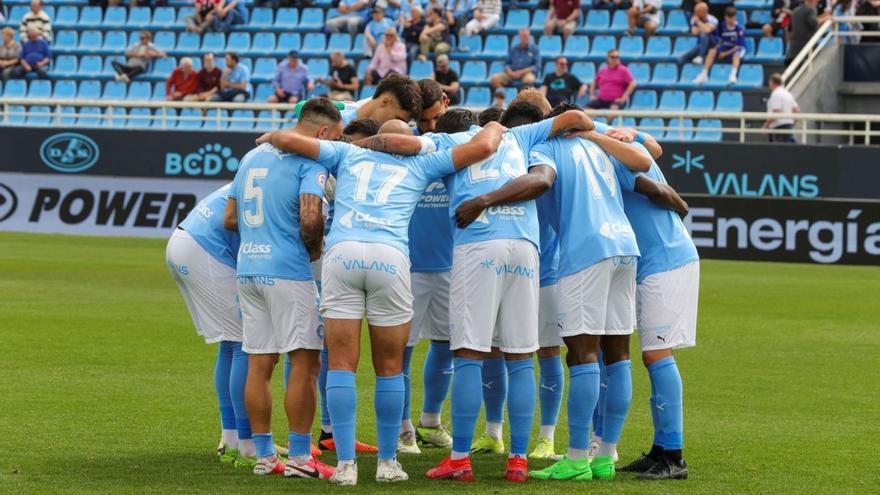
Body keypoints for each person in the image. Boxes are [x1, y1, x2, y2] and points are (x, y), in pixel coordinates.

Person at [258, 102, 508, 487]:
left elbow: (292, 140)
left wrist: (272, 136)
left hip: (341, 255)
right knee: (390, 367)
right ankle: (389, 462)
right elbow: (482, 148)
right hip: (389, 258)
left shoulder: (348, 152)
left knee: (341, 364)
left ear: (377, 140)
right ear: (410, 142)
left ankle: (345, 466)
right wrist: (493, 126)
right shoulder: (423, 163)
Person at [422, 103, 598, 483]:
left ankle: (459, 459)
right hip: (525, 246)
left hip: (479, 243)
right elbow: (576, 119)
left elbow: (397, 139)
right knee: (521, 356)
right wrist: (596, 130)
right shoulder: (522, 135)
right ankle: (518, 459)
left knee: (469, 352)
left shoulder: (448, 140)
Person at [475, 103, 646, 483]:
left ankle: (574, 459)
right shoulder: (599, 146)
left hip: (586, 252)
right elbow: (643, 163)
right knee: (617, 355)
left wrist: (486, 200)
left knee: (582, 354)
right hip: (624, 247)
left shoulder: (545, 148)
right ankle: (603, 457)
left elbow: (541, 181)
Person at [223, 99, 342, 479]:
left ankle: (263, 455)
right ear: (322, 133)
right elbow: (311, 218)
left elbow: (229, 218)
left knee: (259, 363)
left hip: (249, 268)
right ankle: (302, 458)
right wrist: (313, 251)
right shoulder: (312, 162)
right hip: (287, 271)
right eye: (334, 138)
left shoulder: (252, 157)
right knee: (306, 363)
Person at [614, 144, 698, 482]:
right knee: (653, 355)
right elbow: (653, 146)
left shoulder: (610, 155)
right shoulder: (621, 141)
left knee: (657, 354)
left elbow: (658, 190)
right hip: (654, 262)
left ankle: (674, 456)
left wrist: (682, 208)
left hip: (665, 261)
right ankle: (660, 449)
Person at [165, 184, 257, 468]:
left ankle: (232, 438)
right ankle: (245, 443)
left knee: (231, 342)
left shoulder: (262, 163)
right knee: (244, 340)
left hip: (188, 241)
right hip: (205, 248)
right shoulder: (293, 172)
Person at [693, 6, 745, 85]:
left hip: (735, 48)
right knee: (712, 51)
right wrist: (718, 48)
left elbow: (739, 46)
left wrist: (725, 53)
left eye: (732, 17)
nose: (730, 20)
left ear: (735, 17)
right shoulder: (722, 26)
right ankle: (704, 74)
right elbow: (720, 40)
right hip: (724, 47)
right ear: (725, 17)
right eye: (728, 17)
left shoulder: (739, 29)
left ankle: (733, 75)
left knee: (737, 54)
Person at [762, 73, 800, 143]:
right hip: (788, 126)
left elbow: (776, 112)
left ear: (772, 82)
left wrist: (766, 125)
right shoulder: (788, 94)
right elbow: (797, 110)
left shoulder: (776, 93)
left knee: (779, 151)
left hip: (779, 128)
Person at [786, 0, 819, 66]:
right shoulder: (811, 10)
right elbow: (813, 23)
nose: (817, 3)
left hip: (793, 50)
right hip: (807, 49)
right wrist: (824, 19)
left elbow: (789, 29)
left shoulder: (795, 11)